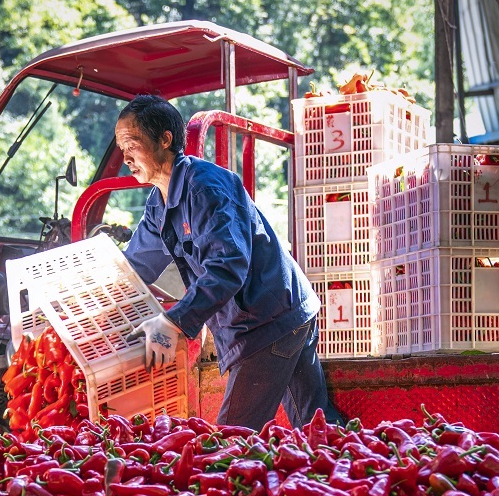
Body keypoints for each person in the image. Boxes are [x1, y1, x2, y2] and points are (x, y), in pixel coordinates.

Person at [115, 95, 344, 431]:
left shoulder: (205, 186)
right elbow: (135, 266)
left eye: (131, 144)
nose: (125, 157)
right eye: (120, 147)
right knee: (316, 427)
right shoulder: (158, 202)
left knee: (233, 436)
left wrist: (172, 322)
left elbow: (228, 267)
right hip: (282, 312)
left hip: (269, 319)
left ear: (165, 139)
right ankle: (357, 475)